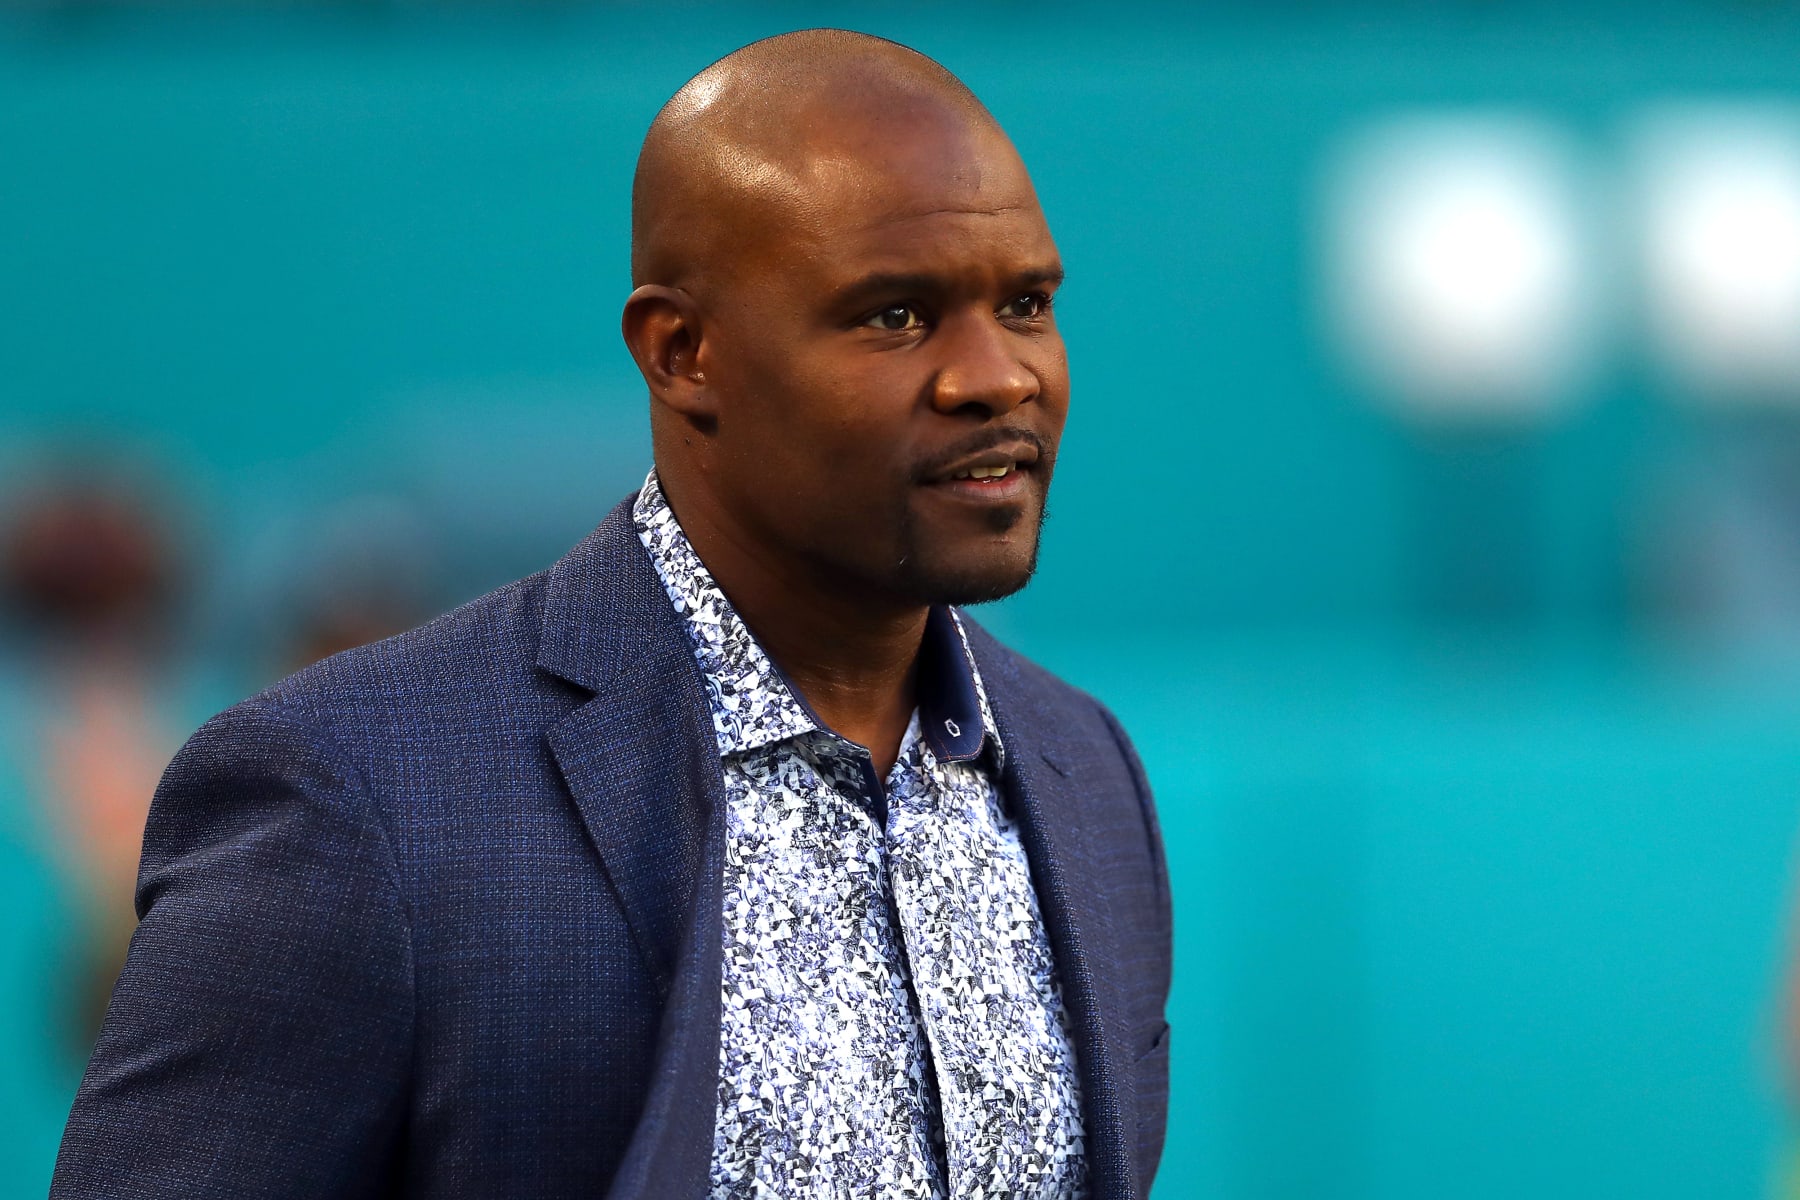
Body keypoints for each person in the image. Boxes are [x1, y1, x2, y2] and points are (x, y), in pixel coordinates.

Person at [49, 29, 1172, 1200]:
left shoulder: (1087, 777)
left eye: (1026, 303)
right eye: (894, 315)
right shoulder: (357, 793)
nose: (997, 376)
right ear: (684, 353)